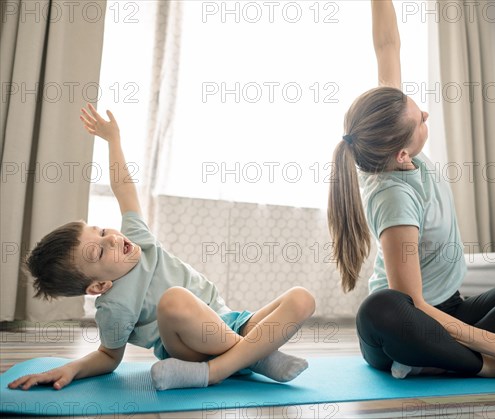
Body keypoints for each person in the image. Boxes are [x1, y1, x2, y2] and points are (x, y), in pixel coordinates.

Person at [327, 0, 495, 379]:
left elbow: (387, 46)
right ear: (402, 154)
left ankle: (440, 358)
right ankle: (489, 365)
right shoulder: (393, 198)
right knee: (380, 308)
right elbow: (413, 305)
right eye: (420, 120)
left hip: (451, 310)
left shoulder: (386, 131)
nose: (425, 115)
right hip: (407, 324)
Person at [8, 104, 316, 391]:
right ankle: (243, 360)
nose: (111, 238)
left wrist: (113, 139)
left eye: (101, 231)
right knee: (174, 300)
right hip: (188, 349)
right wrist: (73, 369)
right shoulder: (113, 307)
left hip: (228, 321)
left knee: (302, 299)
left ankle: (233, 361)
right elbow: (108, 356)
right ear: (99, 285)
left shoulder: (136, 238)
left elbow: (123, 187)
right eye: (99, 251)